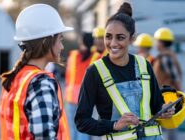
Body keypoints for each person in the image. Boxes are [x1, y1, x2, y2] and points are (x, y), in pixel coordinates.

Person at [75, 2, 175, 140]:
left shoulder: (144, 65)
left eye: (120, 37)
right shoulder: (95, 71)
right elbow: (81, 122)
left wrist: (165, 110)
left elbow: (156, 105)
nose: (113, 43)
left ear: (132, 38)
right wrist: (114, 125)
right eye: (108, 36)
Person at [0, 4, 73, 140]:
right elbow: (44, 135)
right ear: (47, 41)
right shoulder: (41, 83)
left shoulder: (15, 78)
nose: (62, 46)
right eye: (60, 39)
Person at [64, 32, 99, 140]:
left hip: (71, 96)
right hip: (85, 97)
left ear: (81, 42)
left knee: (72, 127)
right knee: (83, 128)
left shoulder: (73, 55)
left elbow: (68, 75)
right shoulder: (97, 57)